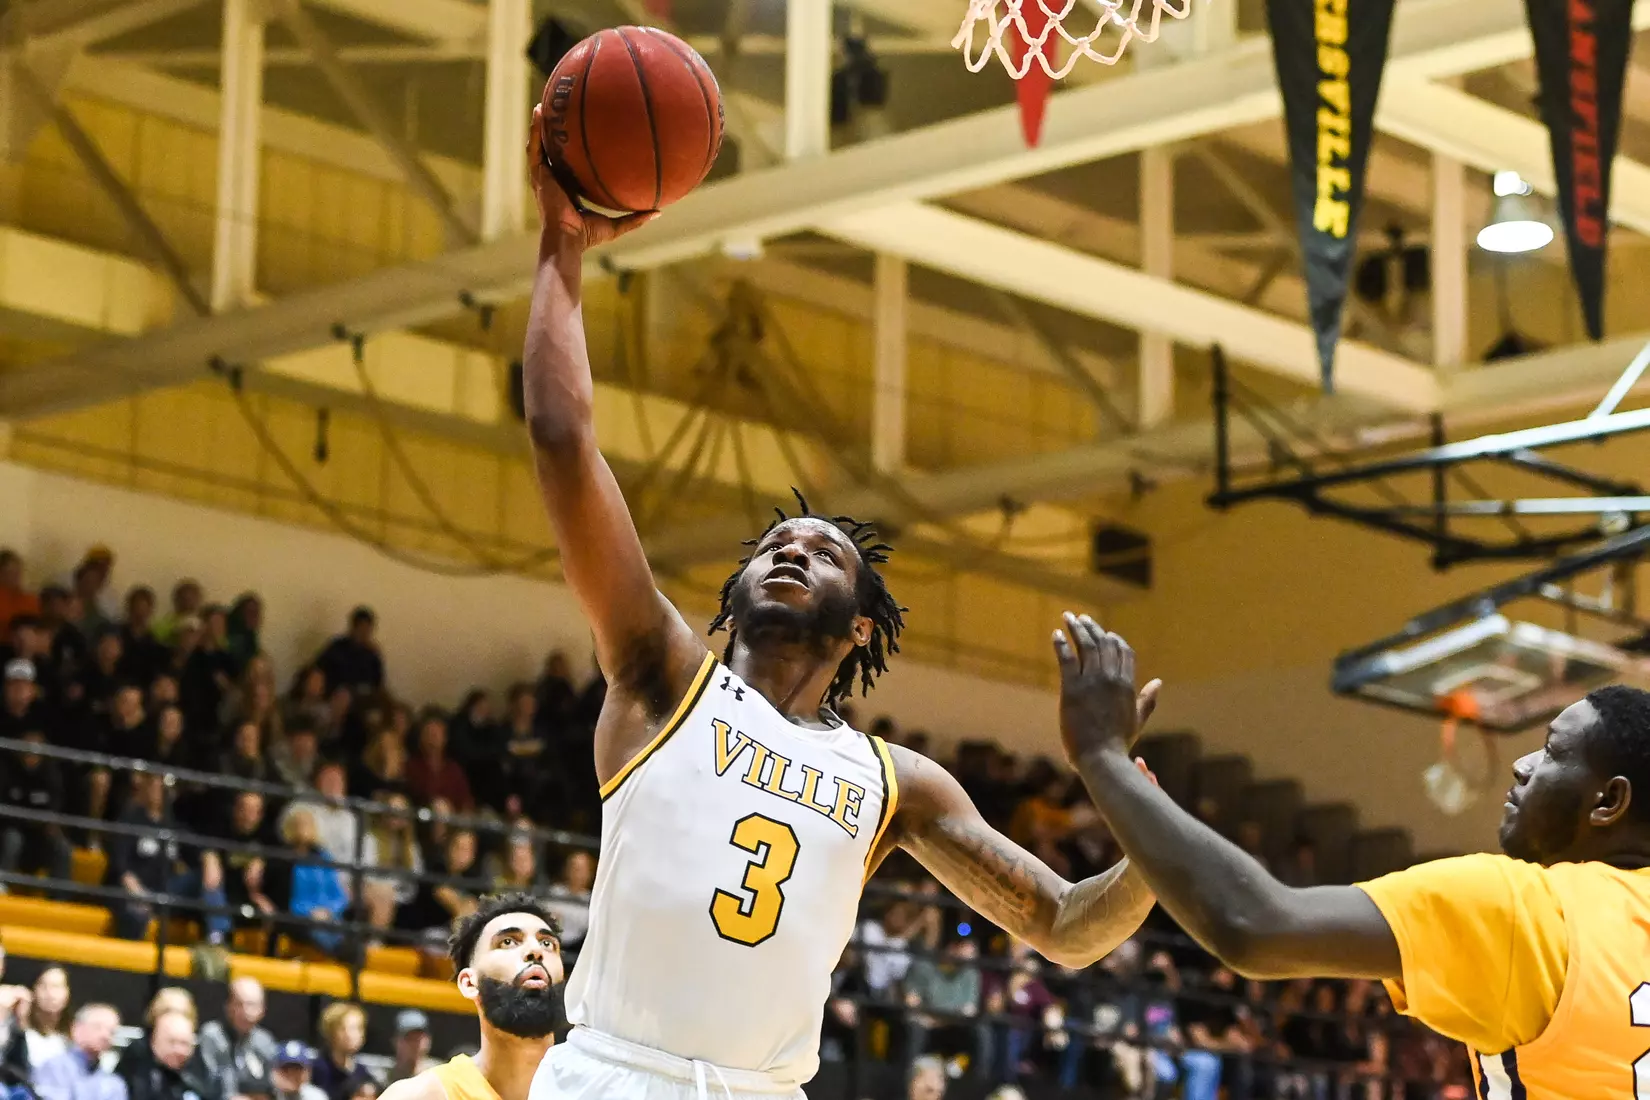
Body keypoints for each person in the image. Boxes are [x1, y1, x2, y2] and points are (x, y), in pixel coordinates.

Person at [519, 112, 1156, 1100]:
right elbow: (562, 437)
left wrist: (1148, 829)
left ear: (860, 623)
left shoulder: (895, 782)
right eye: (774, 545)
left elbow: (1068, 924)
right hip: (615, 1074)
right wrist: (562, 246)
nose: (790, 552)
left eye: (822, 554)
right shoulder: (663, 676)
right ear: (729, 595)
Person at [1047, 614, 1650, 1100]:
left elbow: (1257, 925)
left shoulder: (1532, 912)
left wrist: (1102, 756)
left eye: (1550, 751)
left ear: (1609, 802)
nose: (1523, 765)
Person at [380, 893, 564, 1100]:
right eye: (509, 941)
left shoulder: (597, 1089)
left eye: (547, 943)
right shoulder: (421, 1095)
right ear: (469, 983)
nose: (535, 950)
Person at [197, 977, 279, 1100]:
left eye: (252, 1005)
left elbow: (272, 1084)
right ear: (228, 1006)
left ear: (262, 1010)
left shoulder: (265, 1041)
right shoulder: (212, 1035)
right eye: (239, 1004)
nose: (246, 1011)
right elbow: (209, 1082)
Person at [33, 1003, 125, 1100]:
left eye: (112, 1031)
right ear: (76, 1028)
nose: (105, 1035)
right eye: (97, 1027)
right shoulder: (54, 1068)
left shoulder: (114, 1083)